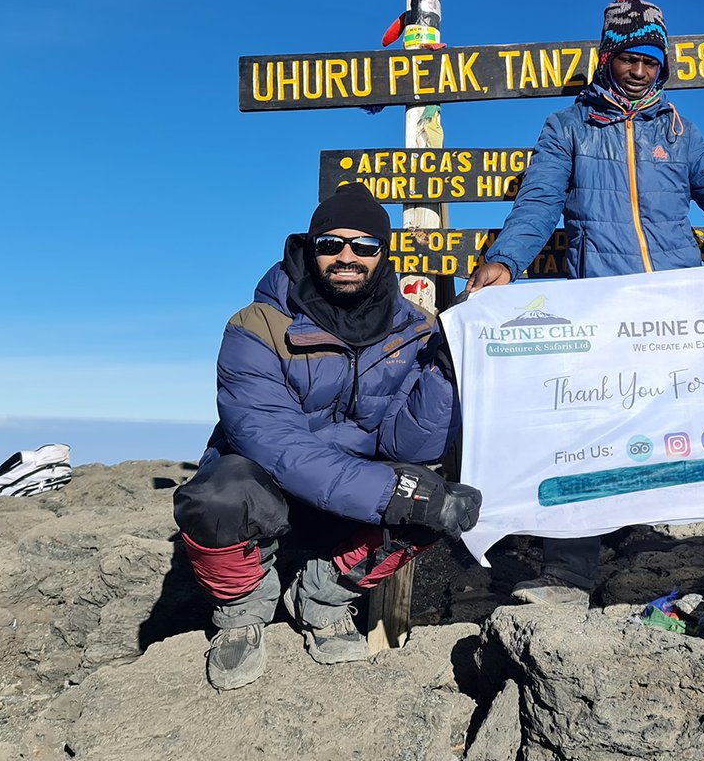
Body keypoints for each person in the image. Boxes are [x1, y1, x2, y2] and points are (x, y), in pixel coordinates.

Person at [467, 0, 704, 603]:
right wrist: (505, 262)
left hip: (678, 305)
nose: (640, 71)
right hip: (603, 307)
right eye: (628, 58)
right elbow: (537, 204)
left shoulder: (679, 130)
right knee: (589, 430)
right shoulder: (568, 127)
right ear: (607, 58)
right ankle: (569, 572)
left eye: (651, 61)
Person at [174, 183, 481, 691]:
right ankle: (241, 613)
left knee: (436, 500)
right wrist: (392, 494)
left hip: (348, 491)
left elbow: (412, 447)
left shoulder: (415, 329)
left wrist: (445, 373)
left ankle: (322, 598)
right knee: (216, 497)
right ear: (307, 247)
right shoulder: (257, 327)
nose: (346, 256)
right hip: (269, 485)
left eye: (364, 246)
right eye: (330, 244)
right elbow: (275, 443)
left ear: (382, 256)